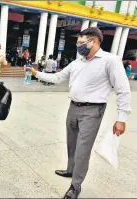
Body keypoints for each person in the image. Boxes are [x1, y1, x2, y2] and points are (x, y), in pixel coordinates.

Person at [28, 27, 131, 199]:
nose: (79, 46)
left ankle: (75, 186)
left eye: (83, 43)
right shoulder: (77, 63)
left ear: (95, 41)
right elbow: (57, 78)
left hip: (93, 110)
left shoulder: (110, 61)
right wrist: (35, 73)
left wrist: (121, 118)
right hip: (73, 107)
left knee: (83, 149)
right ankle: (70, 169)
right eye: (78, 42)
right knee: (72, 143)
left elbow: (123, 90)